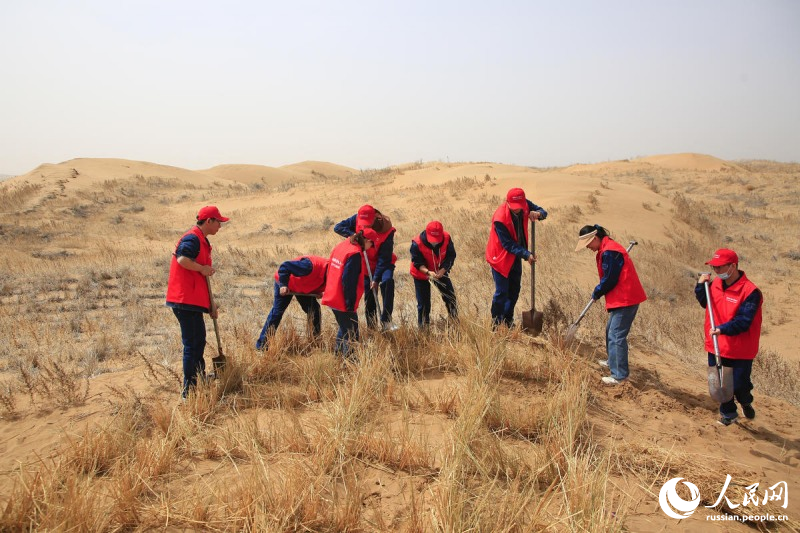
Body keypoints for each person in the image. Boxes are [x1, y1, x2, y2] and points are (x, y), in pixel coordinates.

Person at [166, 205, 229, 398]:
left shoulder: (202, 240)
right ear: (209, 221)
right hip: (184, 300)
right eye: (218, 222)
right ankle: (189, 390)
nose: (220, 225)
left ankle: (199, 378)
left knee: (198, 341)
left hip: (193, 300)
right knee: (193, 344)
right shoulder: (192, 238)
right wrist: (202, 268)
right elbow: (182, 259)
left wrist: (210, 304)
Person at [695, 248, 762, 426]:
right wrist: (700, 286)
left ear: (733, 266)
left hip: (740, 348)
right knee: (718, 384)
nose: (716, 271)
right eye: (714, 267)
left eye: (720, 267)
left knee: (739, 385)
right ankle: (729, 414)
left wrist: (723, 329)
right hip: (715, 343)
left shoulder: (750, 292)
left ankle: (745, 400)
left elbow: (744, 321)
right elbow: (705, 303)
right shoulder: (715, 285)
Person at [575, 224, 647, 385]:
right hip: (620, 297)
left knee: (616, 335)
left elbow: (610, 279)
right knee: (610, 331)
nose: (588, 248)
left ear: (595, 239)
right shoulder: (606, 248)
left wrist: (597, 291)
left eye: (588, 244)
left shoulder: (610, 251)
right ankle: (612, 361)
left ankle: (619, 375)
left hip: (626, 298)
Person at [485, 188, 547, 328]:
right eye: (514, 207)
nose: (518, 210)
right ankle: (495, 324)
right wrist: (526, 254)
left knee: (514, 290)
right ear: (507, 202)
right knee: (502, 292)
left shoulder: (525, 204)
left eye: (520, 207)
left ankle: (507, 320)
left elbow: (544, 212)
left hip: (515, 255)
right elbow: (507, 244)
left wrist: (538, 214)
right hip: (499, 256)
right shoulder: (500, 218)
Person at [334, 205, 398, 330]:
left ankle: (386, 320)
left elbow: (384, 258)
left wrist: (375, 278)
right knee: (369, 296)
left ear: (376, 217)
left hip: (383, 264)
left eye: (368, 223)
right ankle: (372, 328)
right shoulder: (358, 218)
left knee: (387, 282)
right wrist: (355, 236)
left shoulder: (387, 230)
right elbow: (338, 227)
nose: (365, 225)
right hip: (365, 263)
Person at [322, 228, 378, 359]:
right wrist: (350, 304)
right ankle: (349, 363)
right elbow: (349, 281)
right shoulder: (354, 254)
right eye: (371, 244)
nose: (370, 248)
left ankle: (338, 357)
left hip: (332, 294)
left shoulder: (344, 245)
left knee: (344, 328)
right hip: (342, 299)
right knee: (352, 333)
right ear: (367, 241)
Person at [256, 255, 329, 350]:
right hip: (286, 282)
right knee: (277, 313)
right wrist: (283, 285)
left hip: (301, 287)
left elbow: (318, 280)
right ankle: (262, 345)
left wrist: (316, 291)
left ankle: (315, 343)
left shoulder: (332, 274)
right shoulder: (309, 266)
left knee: (314, 311)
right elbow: (285, 266)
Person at [410, 220, 457, 327]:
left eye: (437, 240)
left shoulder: (447, 238)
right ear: (426, 233)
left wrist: (443, 270)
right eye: (432, 240)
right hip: (422, 274)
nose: (434, 243)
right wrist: (427, 272)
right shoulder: (416, 243)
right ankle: (423, 329)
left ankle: (455, 322)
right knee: (424, 304)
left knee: (450, 297)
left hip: (440, 272)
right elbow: (417, 263)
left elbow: (451, 256)